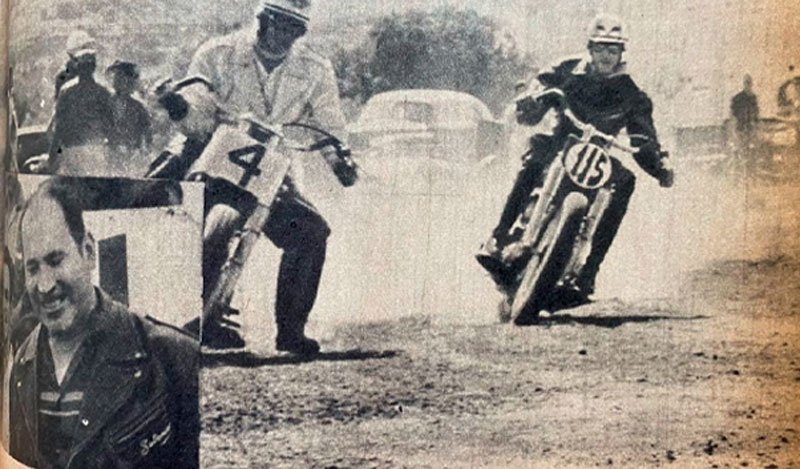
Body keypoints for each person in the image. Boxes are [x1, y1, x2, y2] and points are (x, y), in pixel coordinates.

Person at [161, 0, 356, 354]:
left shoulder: (315, 68)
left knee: (311, 232)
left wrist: (339, 159)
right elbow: (194, 101)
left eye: (295, 29)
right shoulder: (218, 53)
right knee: (156, 200)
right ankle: (167, 312)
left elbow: (328, 124)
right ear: (262, 20)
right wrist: (178, 104)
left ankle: (291, 331)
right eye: (278, 23)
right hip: (208, 149)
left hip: (268, 165)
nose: (284, 35)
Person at [476, 13, 673, 307]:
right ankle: (499, 239)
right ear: (590, 49)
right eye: (600, 48)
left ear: (621, 53)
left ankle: (588, 272)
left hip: (598, 157)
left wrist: (659, 166)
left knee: (626, 182)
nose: (606, 56)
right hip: (560, 142)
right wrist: (532, 98)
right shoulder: (566, 69)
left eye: (612, 49)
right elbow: (537, 89)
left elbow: (644, 139)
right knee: (534, 157)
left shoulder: (632, 93)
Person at [9, 178, 199, 468]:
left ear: (88, 250)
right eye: (33, 268)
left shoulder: (172, 358)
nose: (44, 285)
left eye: (56, 260)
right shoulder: (20, 370)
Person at [48, 31, 114, 175]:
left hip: (78, 148)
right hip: (92, 149)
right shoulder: (103, 91)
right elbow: (110, 124)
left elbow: (59, 125)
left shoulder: (68, 89)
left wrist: (52, 155)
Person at [107, 60, 152, 153]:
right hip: (110, 152)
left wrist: (142, 147)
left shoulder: (138, 107)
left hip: (131, 154)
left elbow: (145, 131)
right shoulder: (106, 102)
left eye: (120, 76)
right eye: (116, 76)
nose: (116, 80)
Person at [730, 74, 759, 152]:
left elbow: (755, 112)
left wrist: (755, 124)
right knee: (742, 146)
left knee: (749, 148)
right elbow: (733, 113)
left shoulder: (753, 98)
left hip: (749, 127)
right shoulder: (738, 98)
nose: (748, 85)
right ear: (744, 84)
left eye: (749, 83)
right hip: (741, 127)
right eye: (746, 83)